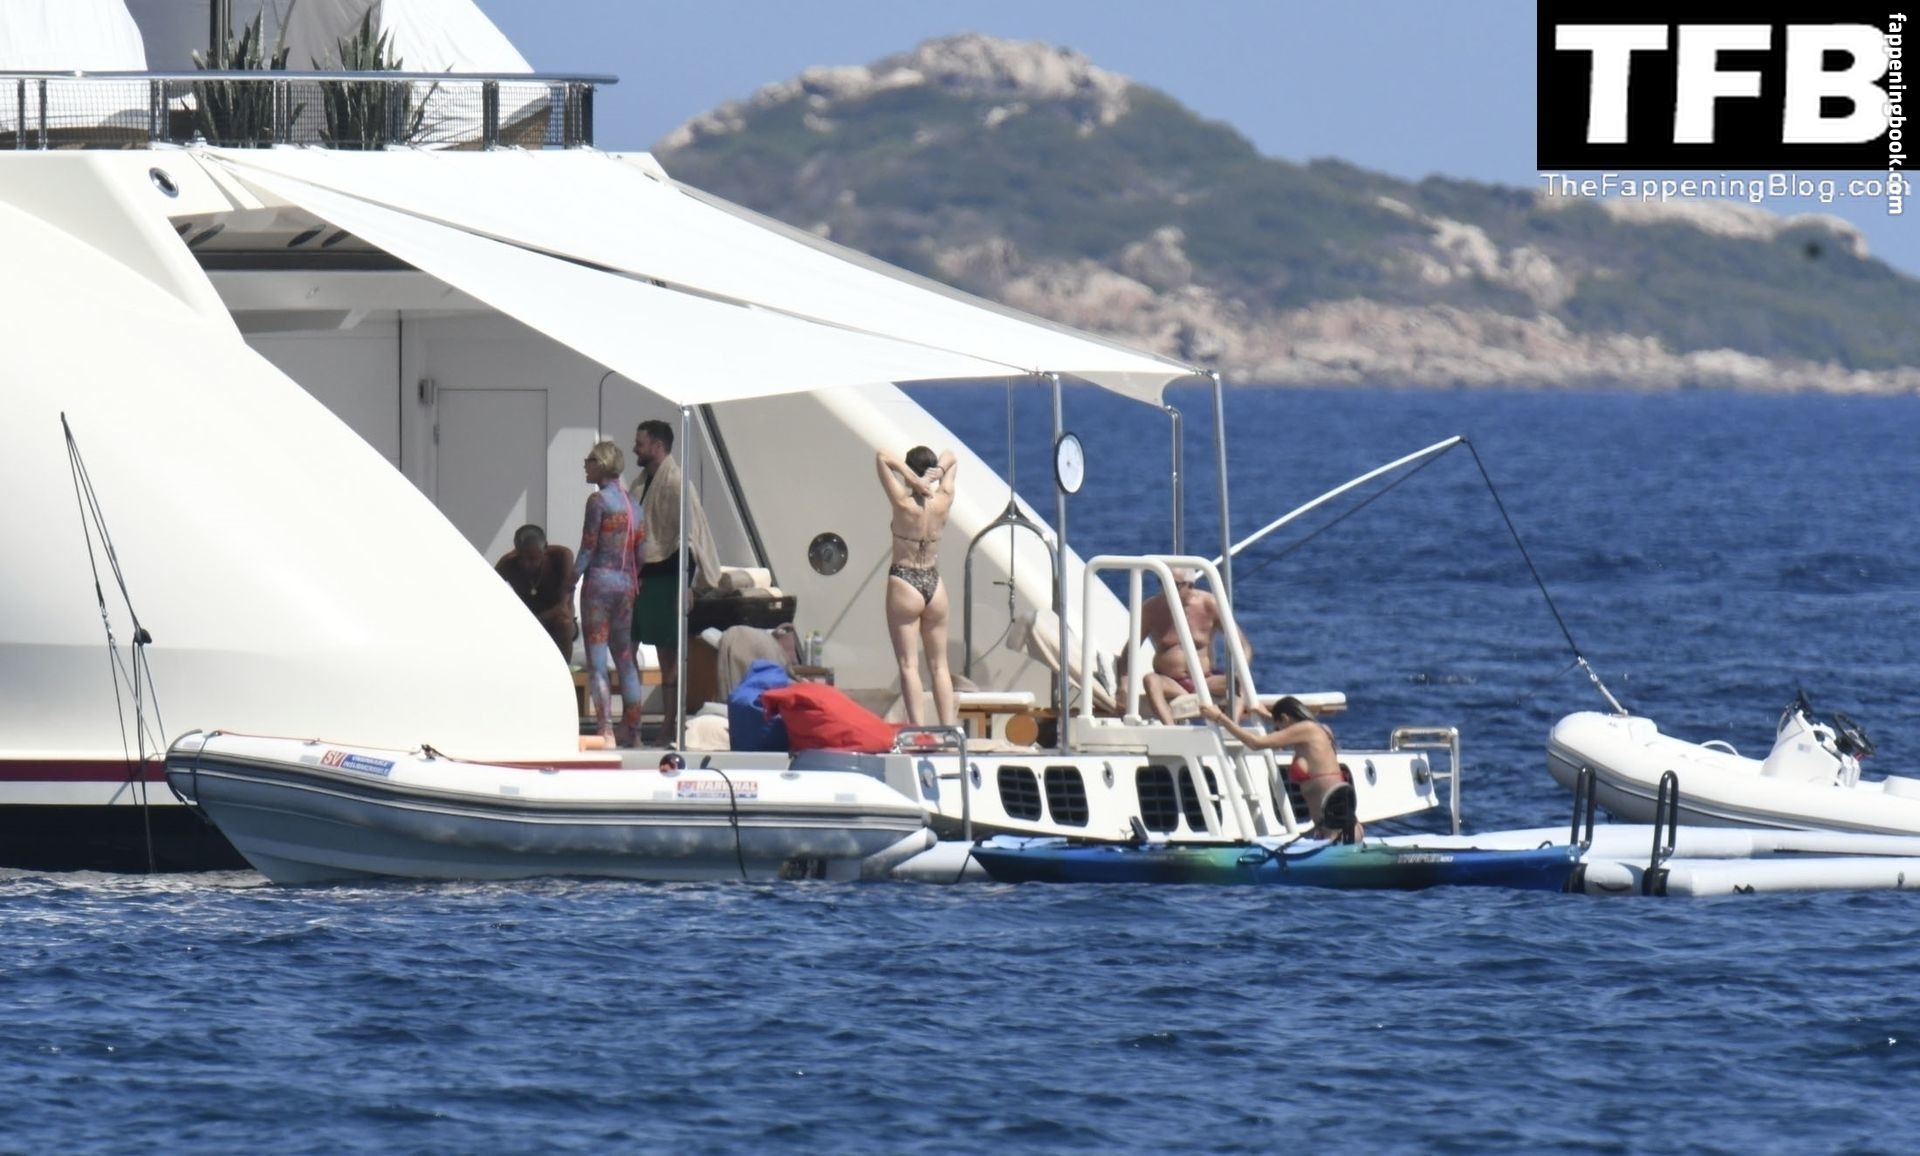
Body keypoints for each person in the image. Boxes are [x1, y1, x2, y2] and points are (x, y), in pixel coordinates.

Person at [629, 419, 722, 739]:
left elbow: (690, 538)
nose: (635, 449)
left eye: (640, 444)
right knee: (628, 646)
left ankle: (669, 723)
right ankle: (633, 721)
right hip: (641, 578)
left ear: (657, 446)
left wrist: (687, 585)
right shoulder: (641, 483)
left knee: (668, 655)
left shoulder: (677, 484)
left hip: (667, 579)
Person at [1200, 696, 1360, 841]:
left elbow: (1256, 743)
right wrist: (1268, 716)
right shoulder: (1321, 730)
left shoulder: (1307, 730)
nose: (1278, 733)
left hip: (1339, 833)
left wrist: (1220, 718)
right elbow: (1291, 728)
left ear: (1285, 718)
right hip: (1331, 831)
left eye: (1278, 728)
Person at [876, 444, 959, 726]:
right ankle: (949, 731)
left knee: (909, 665)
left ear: (910, 472)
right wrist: (938, 472)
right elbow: (952, 455)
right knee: (940, 666)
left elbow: (882, 456)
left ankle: (919, 732)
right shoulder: (944, 499)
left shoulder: (903, 503)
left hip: (905, 579)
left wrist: (911, 478)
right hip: (934, 583)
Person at [575, 440, 644, 747]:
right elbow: (641, 553)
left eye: (590, 460)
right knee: (626, 658)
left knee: (598, 659)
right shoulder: (634, 504)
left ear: (601, 464)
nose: (585, 464)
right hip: (626, 585)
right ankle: (635, 731)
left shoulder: (598, 501)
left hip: (599, 586)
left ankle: (606, 729)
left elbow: (588, 547)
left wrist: (570, 580)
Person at [1131, 567, 1255, 725]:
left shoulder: (1209, 604)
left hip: (1205, 680)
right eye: (1162, 582)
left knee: (1238, 682)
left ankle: (1232, 727)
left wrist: (1240, 671)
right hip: (1171, 682)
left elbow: (1243, 646)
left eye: (1174, 584)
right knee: (1150, 680)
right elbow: (1130, 651)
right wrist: (1123, 686)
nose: (1166, 589)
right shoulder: (1152, 608)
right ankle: (1171, 730)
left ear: (1190, 585)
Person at [494, 524, 577, 658]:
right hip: (525, 621)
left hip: (556, 621)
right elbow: (489, 596)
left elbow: (564, 608)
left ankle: (565, 666)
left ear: (545, 548)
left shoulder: (562, 557)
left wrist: (534, 622)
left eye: (533, 559)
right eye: (522, 558)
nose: (527, 564)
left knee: (564, 624)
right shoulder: (507, 564)